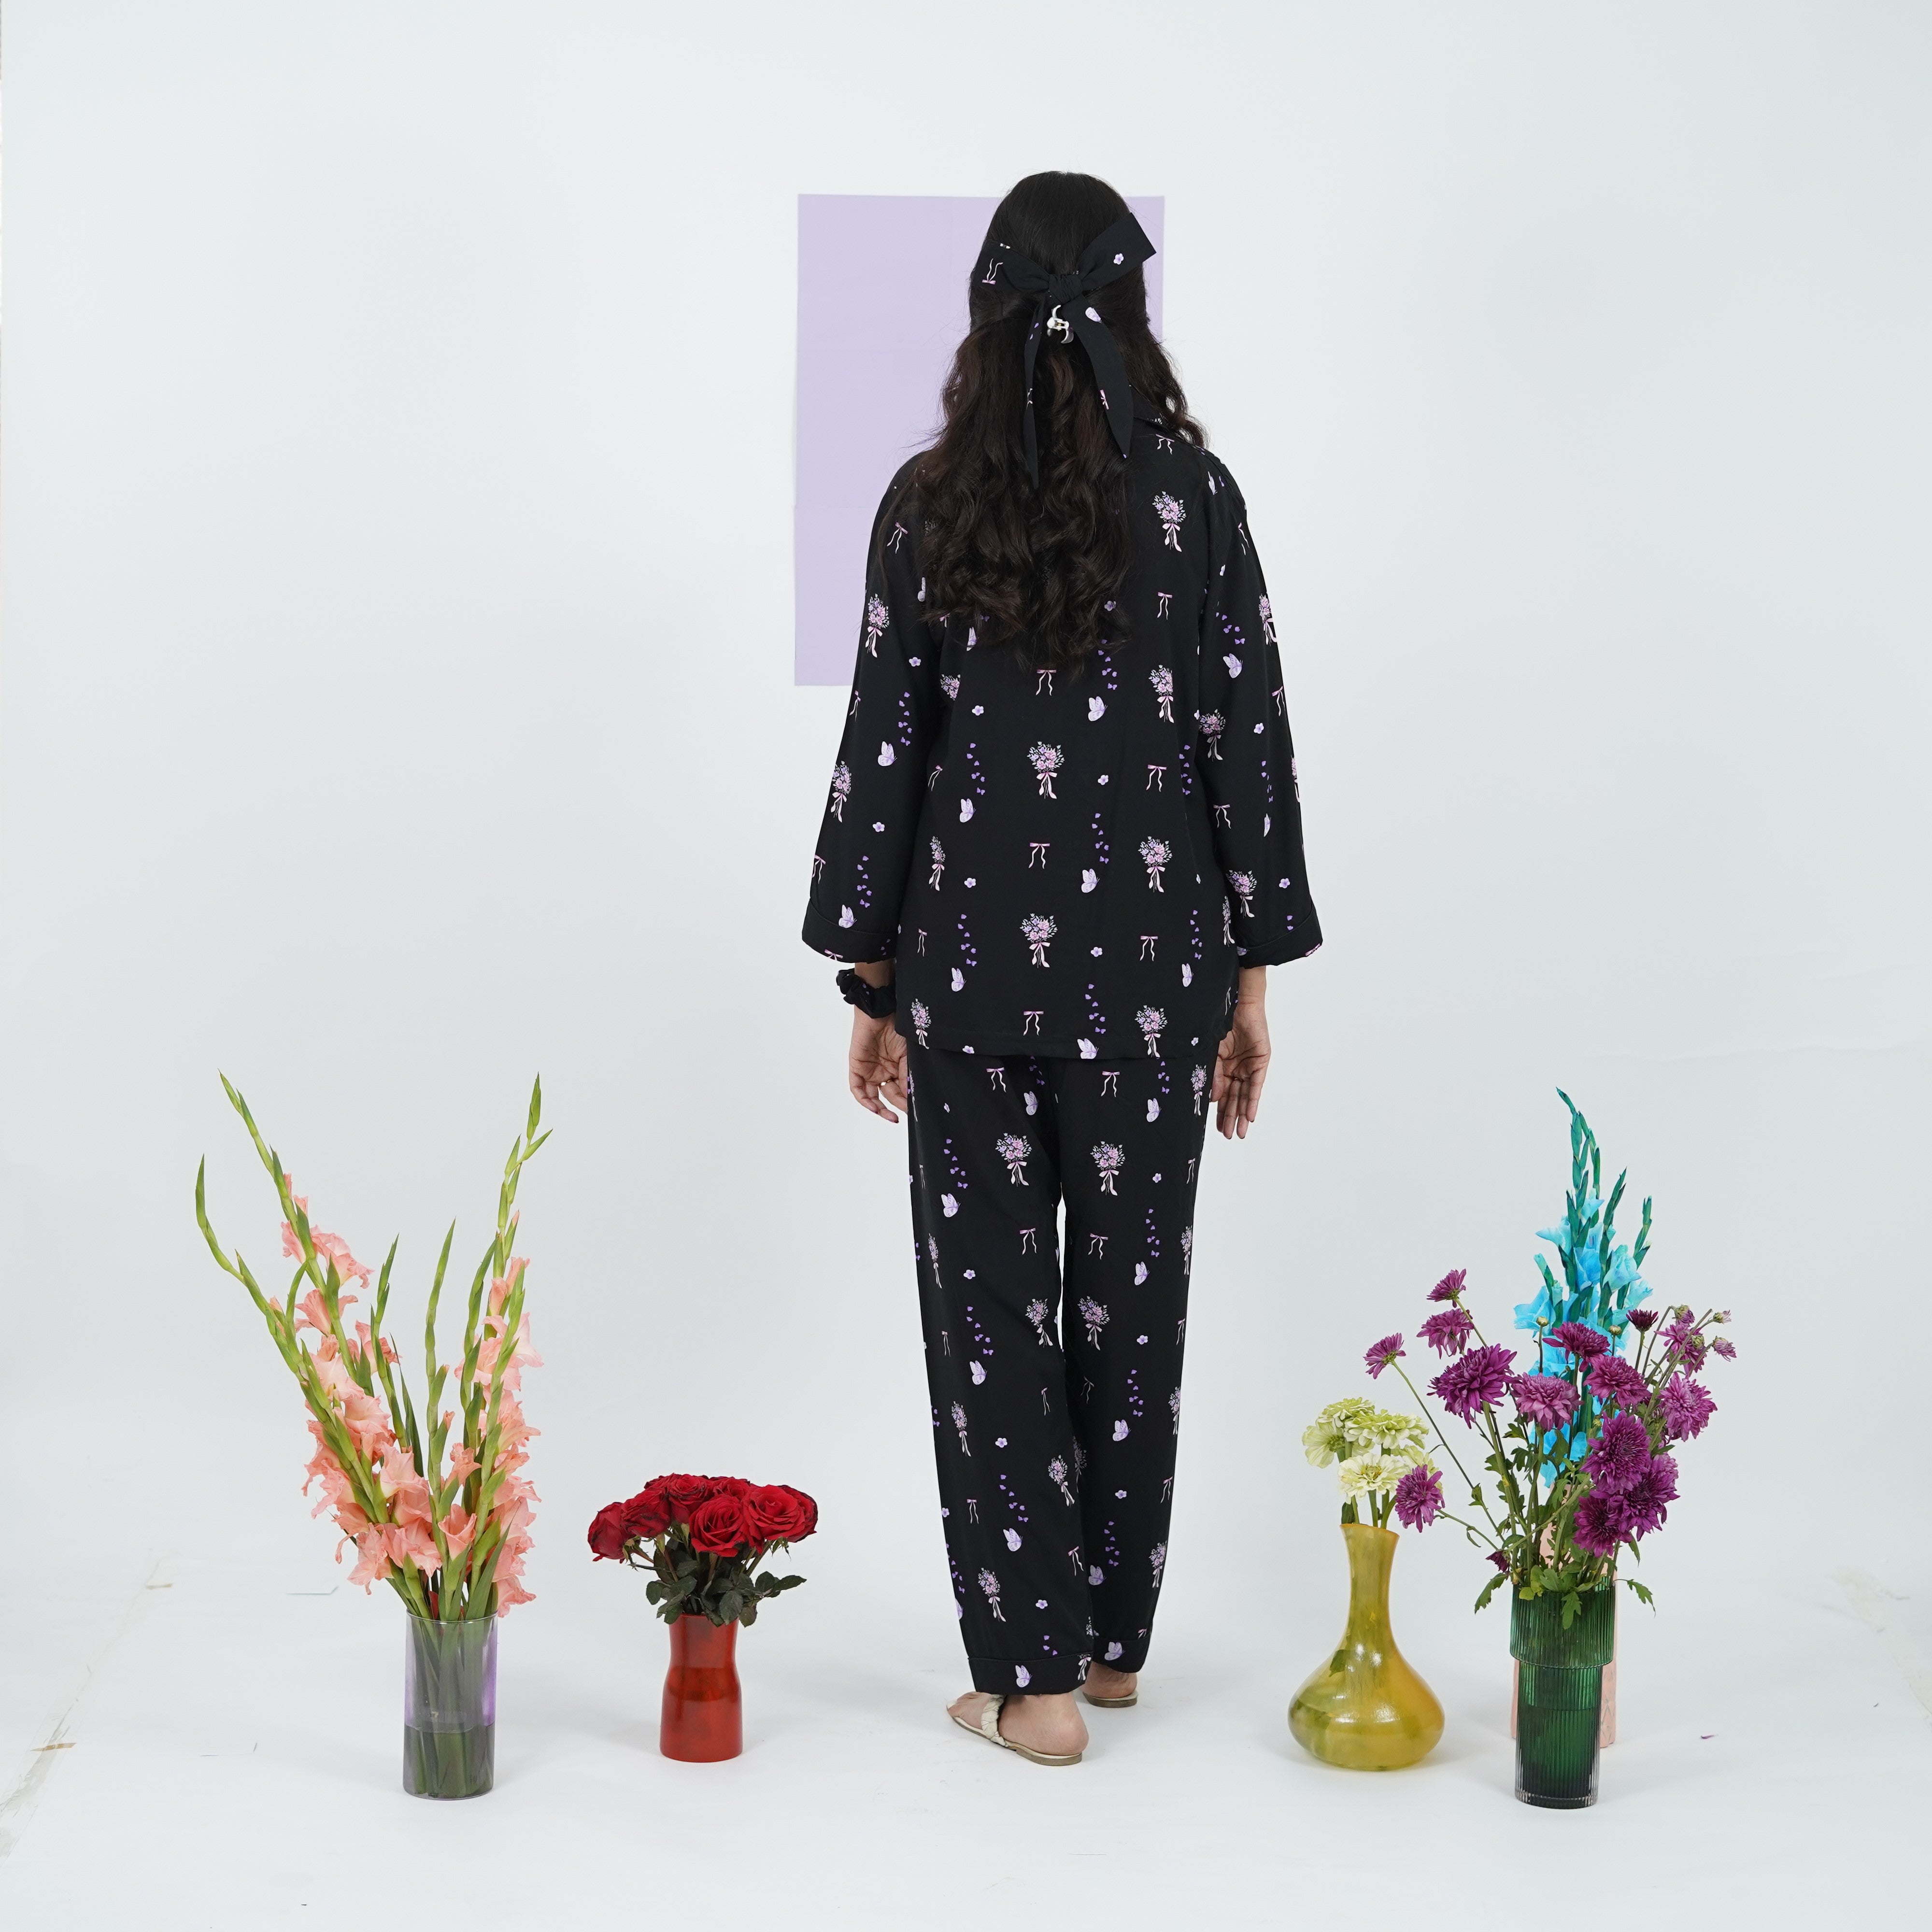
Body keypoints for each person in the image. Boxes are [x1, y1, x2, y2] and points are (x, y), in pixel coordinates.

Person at [801, 171, 1322, 1766]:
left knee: (994, 1323)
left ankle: (1027, 1687)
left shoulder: (926, 504)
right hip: (1157, 986)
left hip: (968, 979)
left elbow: (887, 749)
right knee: (1131, 1310)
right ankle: (1105, 1649)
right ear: (1129, 312)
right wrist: (1251, 985)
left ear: (986, 315)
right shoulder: (1197, 501)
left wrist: (873, 982)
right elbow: (1246, 740)